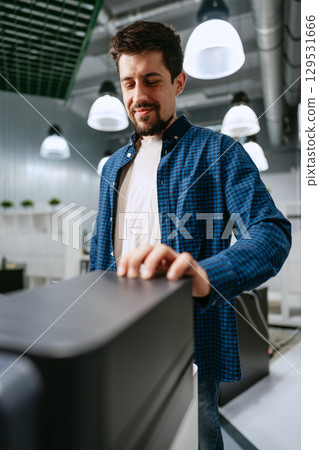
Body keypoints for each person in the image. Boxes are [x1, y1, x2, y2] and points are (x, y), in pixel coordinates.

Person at [90, 21, 291, 449]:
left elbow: (272, 232)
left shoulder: (218, 152)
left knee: (196, 440)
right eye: (129, 82)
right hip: (119, 337)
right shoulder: (111, 169)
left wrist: (206, 274)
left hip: (190, 338)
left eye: (151, 80)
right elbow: (100, 257)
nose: (138, 95)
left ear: (178, 82)